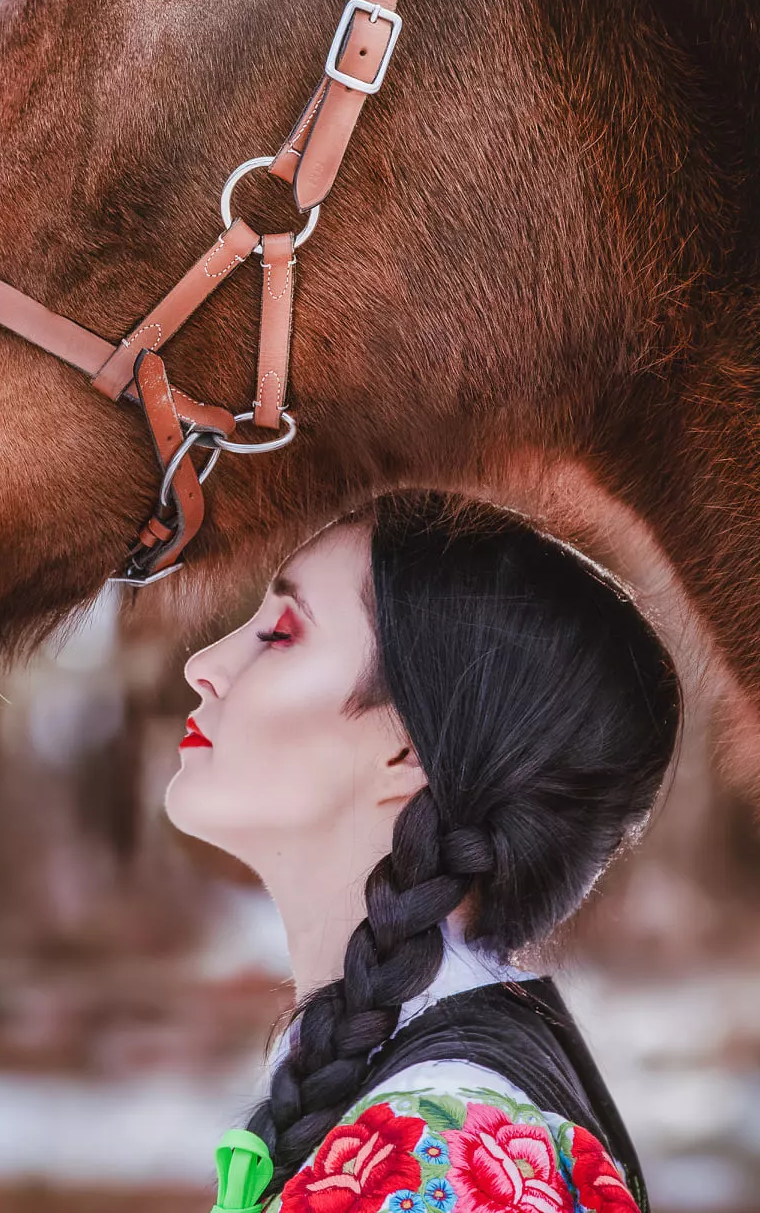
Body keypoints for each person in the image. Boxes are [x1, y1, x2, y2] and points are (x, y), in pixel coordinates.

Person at [166, 495, 680, 1213]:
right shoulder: (421, 1105)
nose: (204, 664)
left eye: (280, 633)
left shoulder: (440, 1159)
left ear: (407, 750)